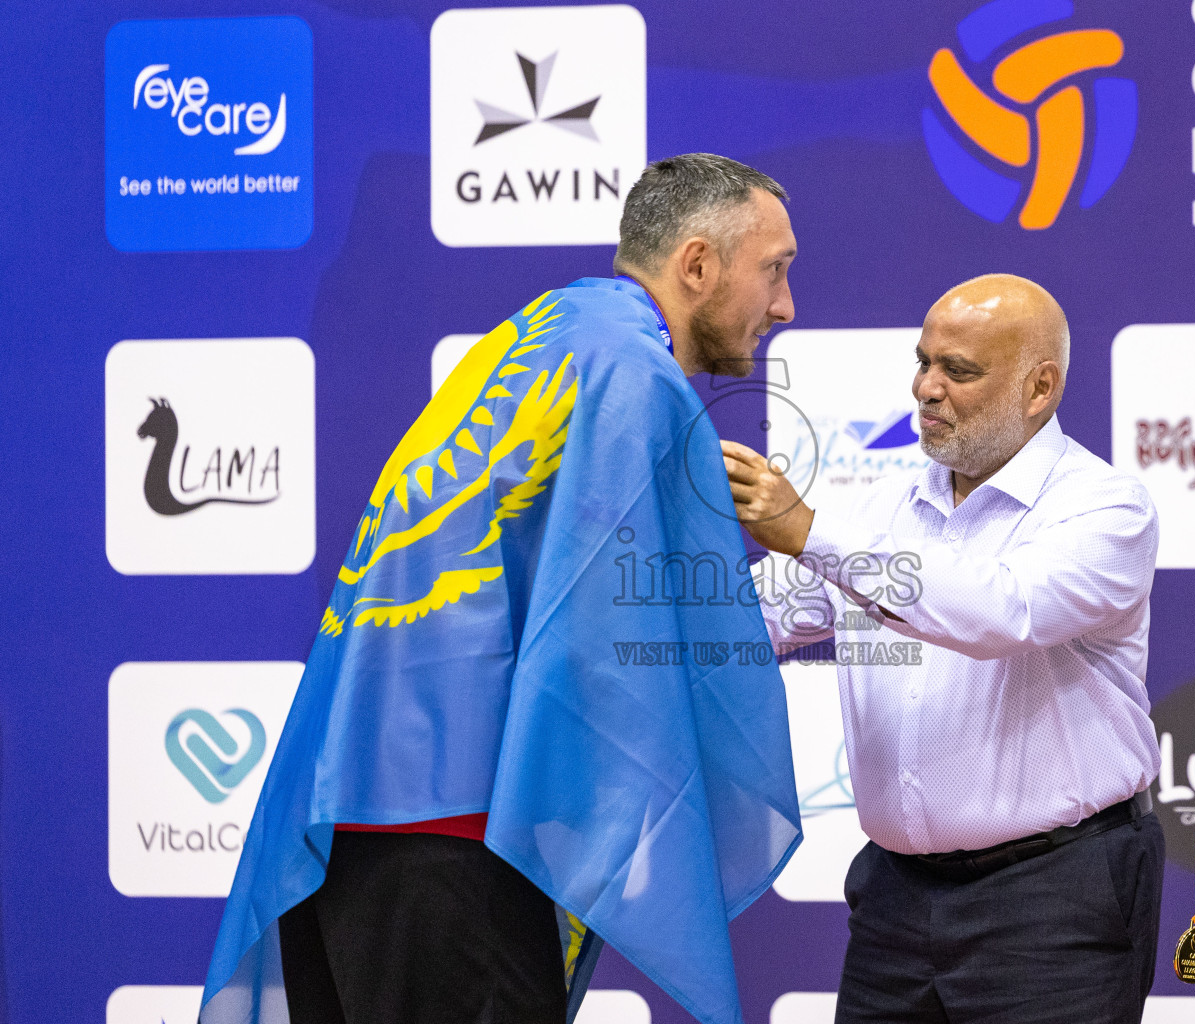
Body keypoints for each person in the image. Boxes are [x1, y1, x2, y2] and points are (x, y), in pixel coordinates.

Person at [198, 153, 802, 1024]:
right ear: (698, 265)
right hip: (459, 849)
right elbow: (628, 636)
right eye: (773, 270)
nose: (784, 305)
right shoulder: (633, 377)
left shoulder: (534, 341)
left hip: (340, 832)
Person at [724, 274, 1164, 1024]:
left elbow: (999, 611)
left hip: (1053, 897)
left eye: (957, 371)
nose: (928, 388)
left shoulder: (1105, 506)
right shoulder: (879, 509)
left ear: (1039, 389)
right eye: (923, 362)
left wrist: (808, 532)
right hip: (895, 899)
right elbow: (746, 618)